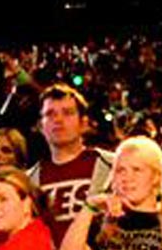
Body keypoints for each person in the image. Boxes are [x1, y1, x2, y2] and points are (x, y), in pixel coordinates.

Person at [57, 136, 162, 250]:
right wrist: (89, 207)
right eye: (120, 170)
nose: (127, 178)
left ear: (156, 177)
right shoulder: (99, 223)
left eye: (137, 170)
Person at [29, 85, 112, 230]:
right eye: (50, 114)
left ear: (84, 123)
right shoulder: (28, 181)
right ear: (40, 127)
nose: (58, 120)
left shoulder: (112, 166)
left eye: (67, 113)